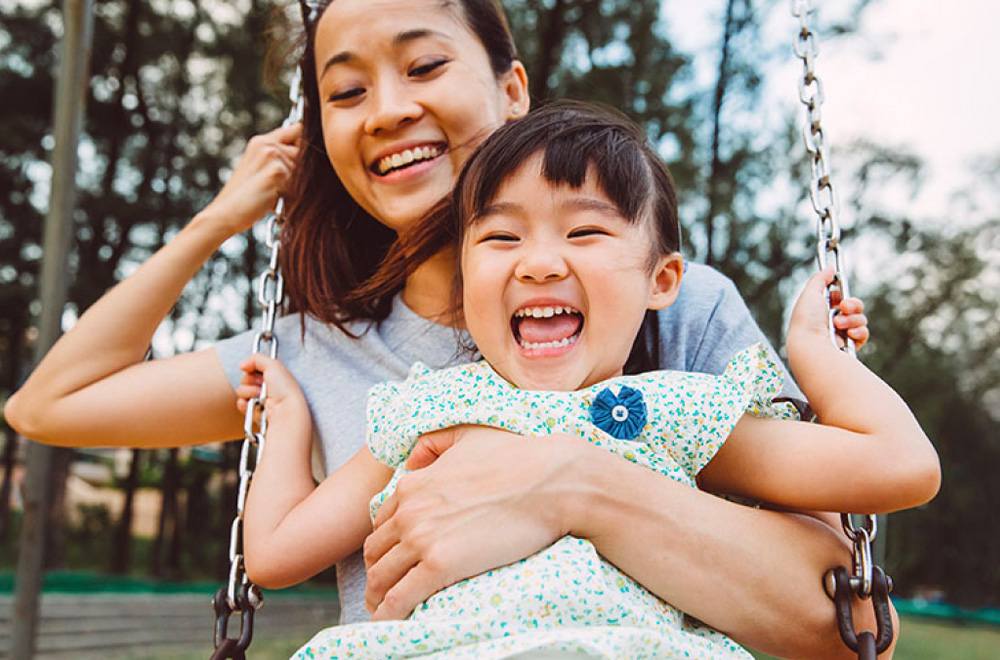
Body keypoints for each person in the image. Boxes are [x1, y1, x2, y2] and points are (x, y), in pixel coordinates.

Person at [1, 0, 907, 656]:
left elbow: (853, 622)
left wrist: (568, 483)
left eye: (425, 66)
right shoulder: (318, 346)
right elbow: (48, 404)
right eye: (344, 92)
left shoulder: (677, 310)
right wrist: (220, 220)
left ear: (512, 88)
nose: (388, 107)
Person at [237, 103, 938, 660]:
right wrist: (288, 421)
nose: (538, 264)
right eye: (502, 239)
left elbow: (898, 468)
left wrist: (814, 351)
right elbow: (273, 552)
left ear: (662, 281)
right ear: (465, 282)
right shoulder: (436, 410)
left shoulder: (674, 411)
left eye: (585, 234)